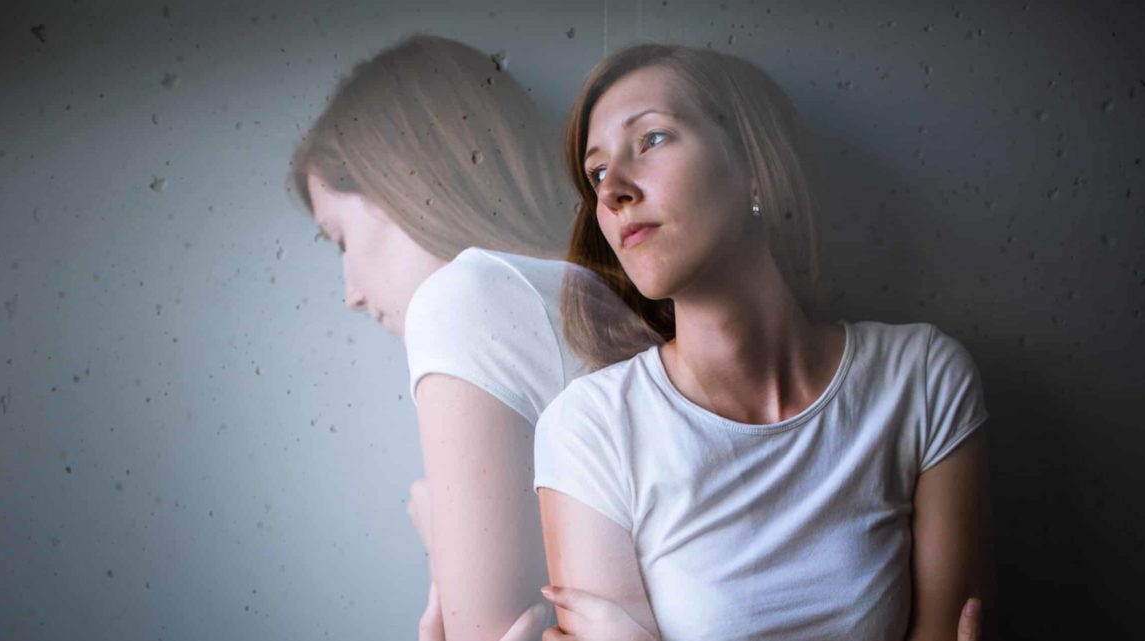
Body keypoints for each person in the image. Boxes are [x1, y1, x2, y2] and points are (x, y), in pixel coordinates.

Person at [533, 43, 993, 641]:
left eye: (651, 139)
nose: (612, 189)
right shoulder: (589, 428)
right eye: (596, 172)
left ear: (753, 165)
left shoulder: (922, 379)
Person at [287, 34, 660, 641]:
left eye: (340, 238)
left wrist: (444, 543)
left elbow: (493, 632)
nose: (349, 292)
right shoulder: (603, 296)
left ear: (398, 185)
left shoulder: (462, 299)